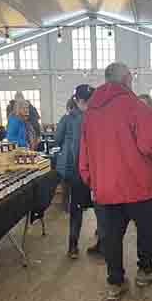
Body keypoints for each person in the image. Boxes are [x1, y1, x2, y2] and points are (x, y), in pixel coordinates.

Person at [79, 62, 152, 301]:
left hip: (105, 187)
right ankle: (145, 271)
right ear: (127, 79)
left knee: (111, 236)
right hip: (136, 184)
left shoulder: (91, 112)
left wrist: (91, 180)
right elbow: (148, 144)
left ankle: (115, 282)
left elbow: (83, 152)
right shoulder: (136, 107)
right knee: (145, 228)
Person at [55, 85, 97, 259]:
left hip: (75, 171)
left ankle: (72, 246)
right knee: (100, 208)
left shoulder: (68, 118)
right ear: (81, 100)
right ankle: (102, 241)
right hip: (93, 170)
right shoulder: (97, 117)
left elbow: (57, 139)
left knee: (76, 210)